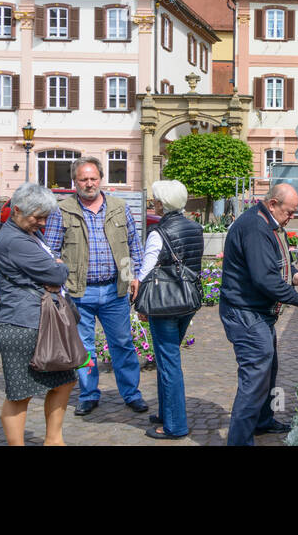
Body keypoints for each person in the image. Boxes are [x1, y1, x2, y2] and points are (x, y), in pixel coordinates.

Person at [43, 157, 149, 416]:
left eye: (93, 178)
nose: (89, 184)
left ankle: (131, 394)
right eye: (83, 179)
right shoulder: (62, 209)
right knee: (84, 347)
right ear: (75, 181)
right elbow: (49, 249)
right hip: (80, 291)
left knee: (122, 344)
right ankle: (89, 394)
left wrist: (133, 276)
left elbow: (133, 244)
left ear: (100, 179)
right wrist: (57, 278)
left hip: (115, 290)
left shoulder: (118, 206)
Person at [219, 183, 298, 445]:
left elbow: (279, 262)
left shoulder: (269, 223)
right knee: (254, 377)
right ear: (273, 203)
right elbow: (264, 278)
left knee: (268, 369)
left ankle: (263, 420)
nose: (292, 217)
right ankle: (239, 440)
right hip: (245, 313)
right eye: (290, 211)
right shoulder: (255, 227)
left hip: (258, 313)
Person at [0, 182, 75, 446]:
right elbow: (56, 273)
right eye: (37, 217)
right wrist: (58, 270)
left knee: (64, 381)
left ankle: (54, 440)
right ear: (16, 210)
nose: (42, 223)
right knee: (20, 393)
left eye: (45, 217)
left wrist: (55, 271)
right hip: (21, 324)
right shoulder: (14, 240)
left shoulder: (28, 234)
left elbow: (52, 272)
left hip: (41, 322)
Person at [137, 180, 204, 440]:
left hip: (164, 303)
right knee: (169, 357)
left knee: (168, 363)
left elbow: (145, 272)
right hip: (187, 300)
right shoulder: (195, 228)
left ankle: (175, 424)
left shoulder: (158, 232)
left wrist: (140, 304)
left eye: (155, 199)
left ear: (162, 203)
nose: (153, 202)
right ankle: (166, 412)